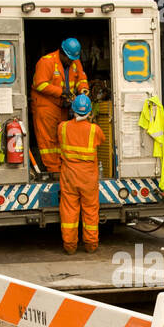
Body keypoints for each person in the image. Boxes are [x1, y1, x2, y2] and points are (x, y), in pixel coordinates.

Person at [31, 37, 89, 174]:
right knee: (48, 140)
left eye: (73, 59)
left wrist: (84, 91)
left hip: (63, 105)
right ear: (62, 53)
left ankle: (63, 167)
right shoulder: (46, 62)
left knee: (62, 137)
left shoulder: (75, 61)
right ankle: (53, 170)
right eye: (69, 59)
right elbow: (39, 84)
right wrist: (61, 92)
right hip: (46, 106)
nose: (71, 62)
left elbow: (82, 79)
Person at [57, 94, 105, 254]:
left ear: (73, 110)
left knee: (69, 210)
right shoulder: (94, 130)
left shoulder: (62, 127)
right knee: (90, 210)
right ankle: (91, 245)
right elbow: (102, 140)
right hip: (88, 179)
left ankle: (70, 246)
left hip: (69, 177)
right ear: (90, 111)